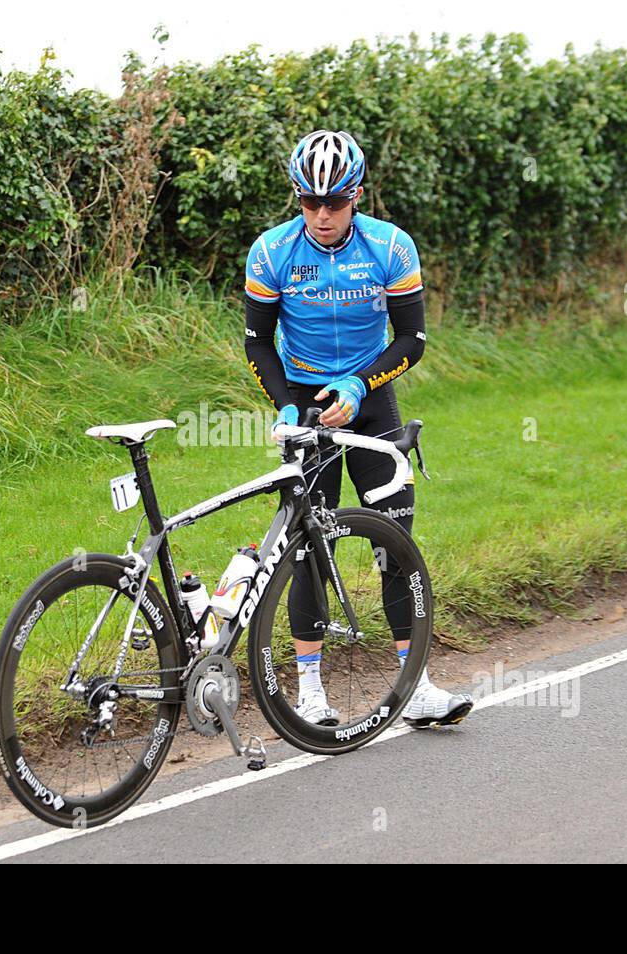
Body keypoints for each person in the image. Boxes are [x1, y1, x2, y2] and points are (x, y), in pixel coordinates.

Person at [243, 129, 473, 729]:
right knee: (308, 547)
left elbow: (412, 340)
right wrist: (286, 405)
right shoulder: (271, 254)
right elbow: (258, 343)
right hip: (304, 399)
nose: (322, 215)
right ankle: (311, 692)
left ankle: (414, 686)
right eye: (310, 202)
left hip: (370, 397)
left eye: (336, 202)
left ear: (357, 196)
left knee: (396, 542)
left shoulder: (391, 248)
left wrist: (358, 386)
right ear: (297, 198)